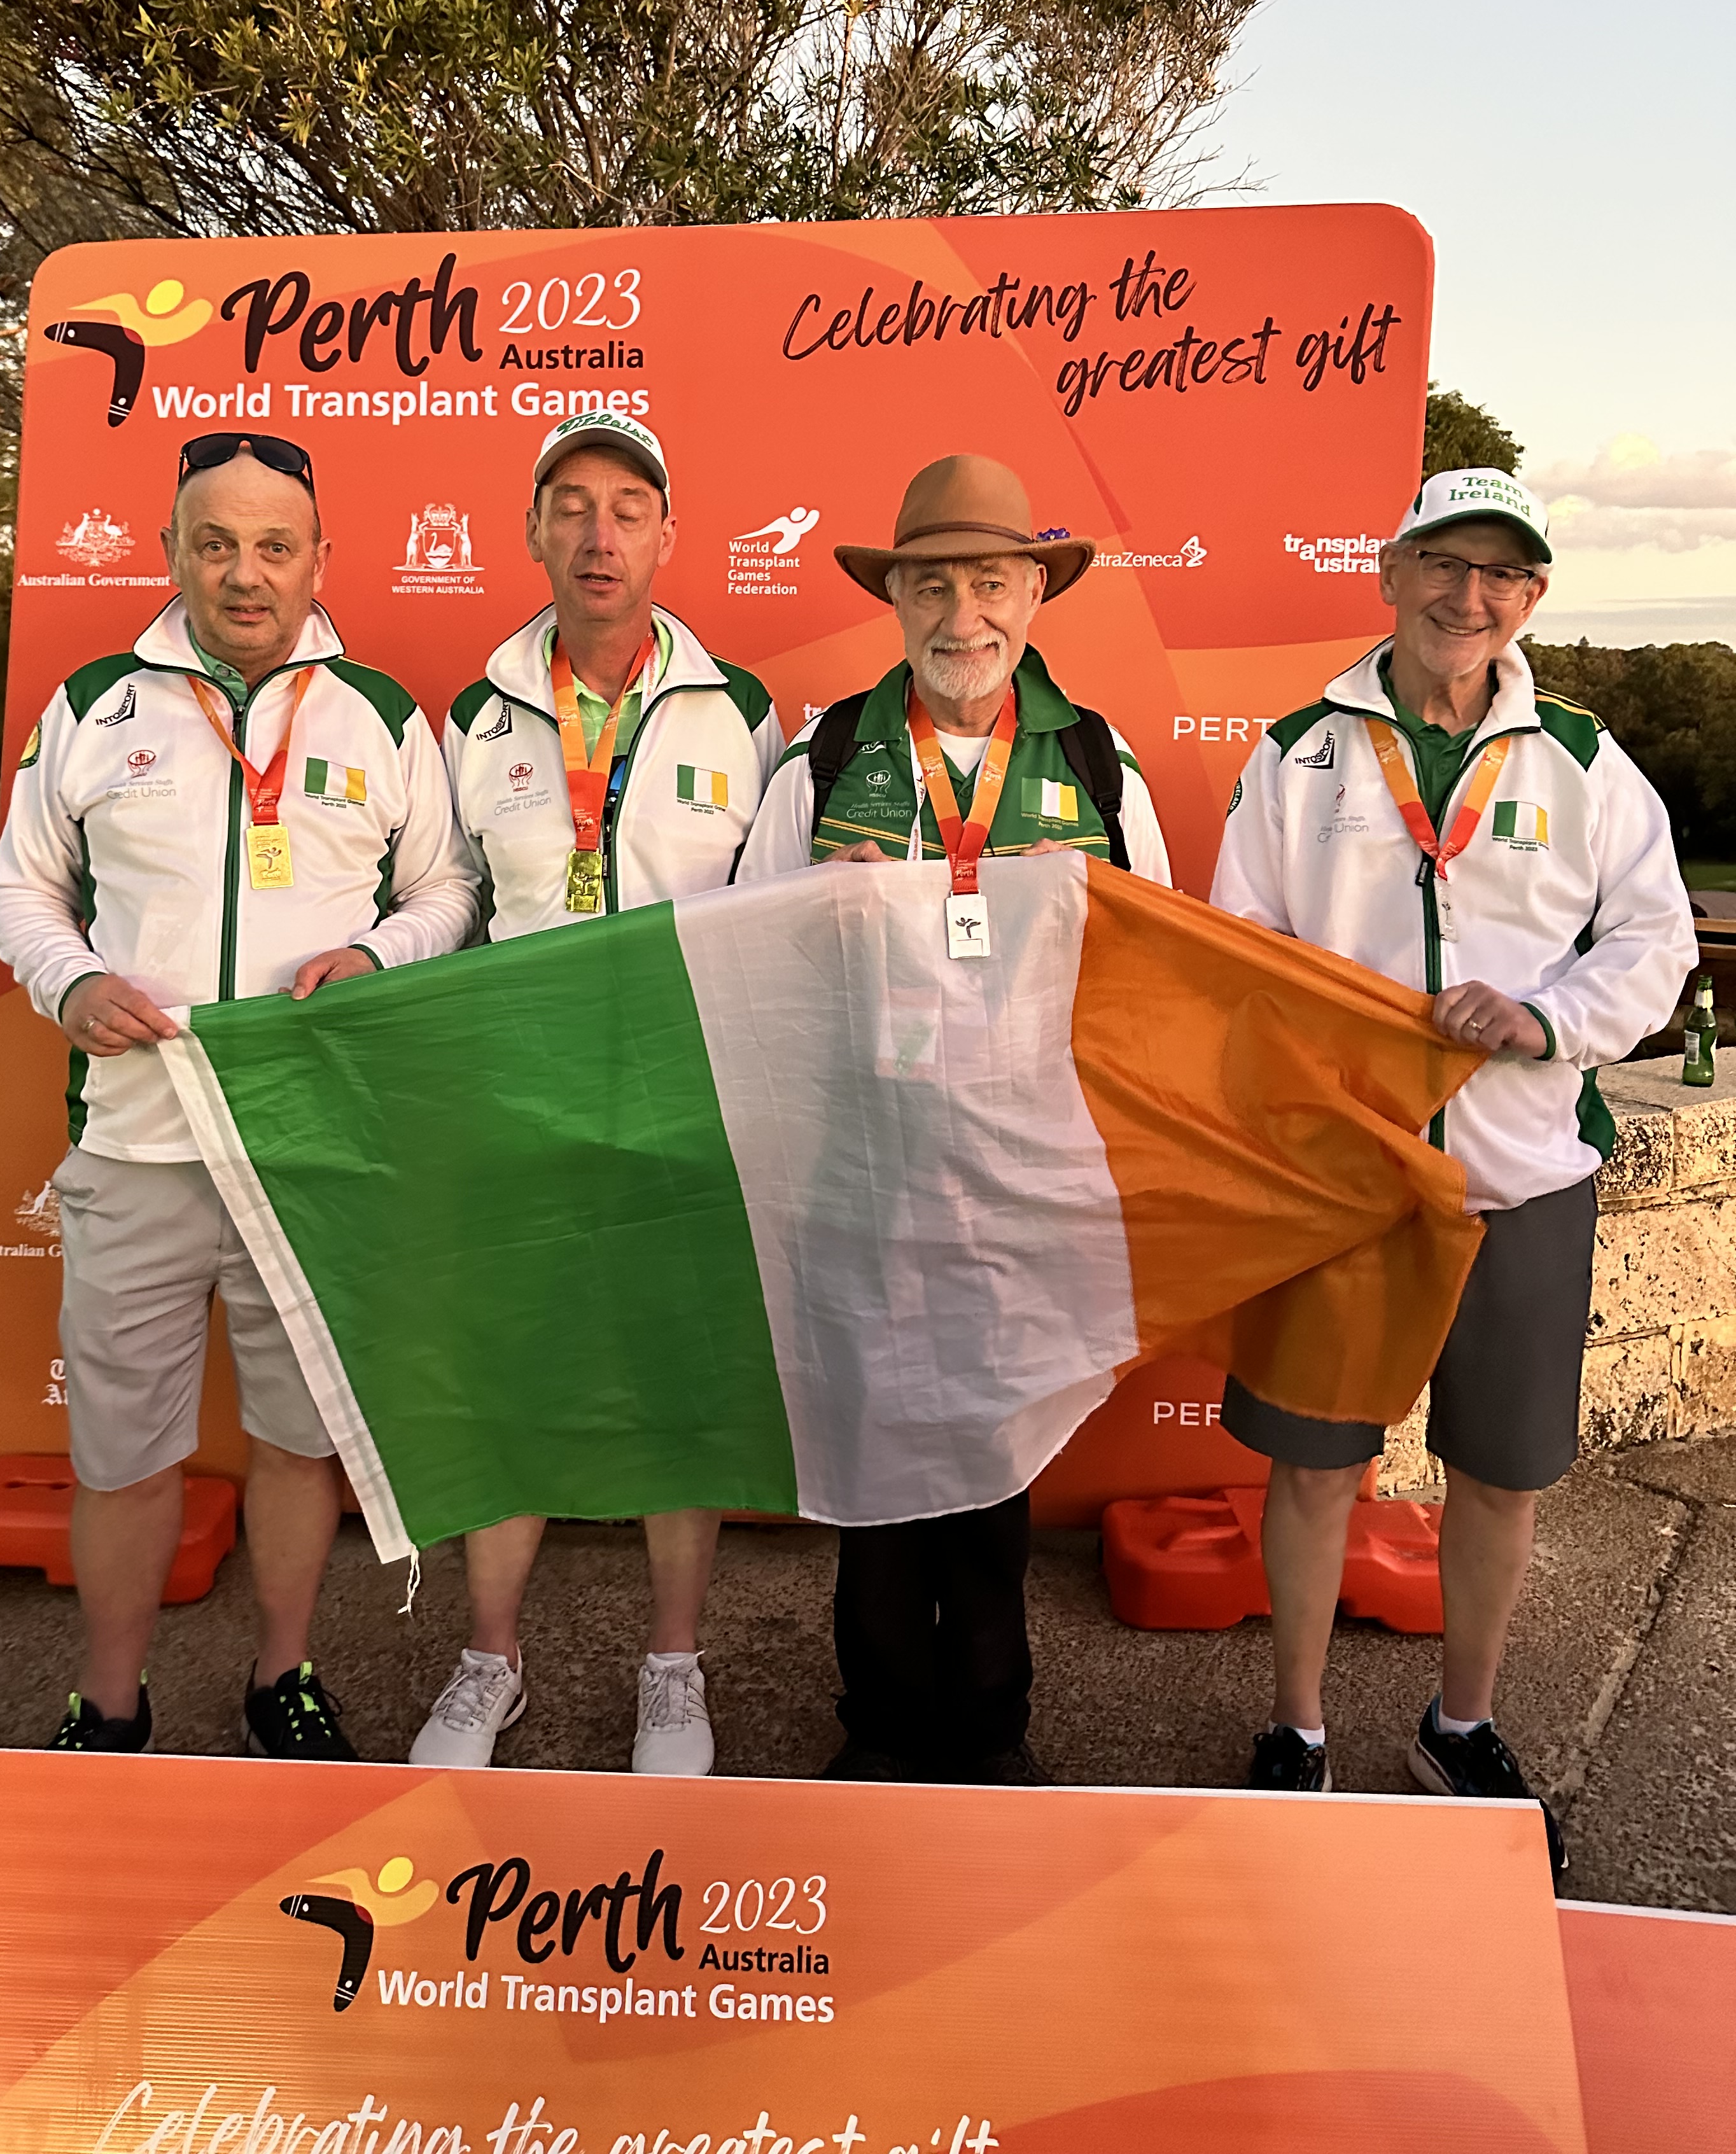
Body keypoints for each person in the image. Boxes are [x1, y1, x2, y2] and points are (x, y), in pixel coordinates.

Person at [1211, 465, 1695, 1868]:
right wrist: (1328, 1067)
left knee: (1499, 1478)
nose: (1466, 596)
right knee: (1315, 1470)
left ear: (1531, 596)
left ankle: (1462, 1724)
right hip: (1346, 1181)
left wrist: (1547, 1020)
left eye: (1499, 573)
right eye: (1442, 562)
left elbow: (1655, 942)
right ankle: (1298, 1729)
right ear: (1390, 572)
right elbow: (1245, 946)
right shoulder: (1298, 752)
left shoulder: (1584, 758)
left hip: (1522, 1175)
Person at [0, 433, 479, 1758]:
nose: (244, 573)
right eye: (215, 544)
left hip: (309, 1154)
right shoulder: (97, 704)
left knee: (300, 1444)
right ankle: (110, 1701)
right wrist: (69, 980)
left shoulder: (380, 713)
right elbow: (21, 885)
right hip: (137, 1147)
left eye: (274, 546)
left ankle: (282, 1678)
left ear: (320, 561)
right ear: (172, 553)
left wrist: (380, 956)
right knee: (122, 1455)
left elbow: (448, 889)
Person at [736, 452, 1172, 1784]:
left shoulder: (1095, 761)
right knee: (875, 1467)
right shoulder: (826, 757)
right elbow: (746, 963)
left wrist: (1083, 917)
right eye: (932, 585)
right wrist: (820, 924)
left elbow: (1164, 973)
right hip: (860, 1167)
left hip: (1022, 1172)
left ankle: (990, 1734)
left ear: (1035, 595)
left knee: (992, 1465)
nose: (962, 614)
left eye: (990, 582)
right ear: (896, 599)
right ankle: (878, 1731)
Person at [416, 409, 785, 1777]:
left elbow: (773, 911)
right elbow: (448, 900)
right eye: (571, 505)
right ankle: (489, 1663)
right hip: (524, 1108)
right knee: (513, 1384)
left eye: (628, 508)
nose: (599, 533)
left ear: (668, 537)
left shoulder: (743, 711)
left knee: (677, 1389)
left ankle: (673, 1669)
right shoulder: (477, 714)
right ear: (532, 533)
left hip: (686, 1112)